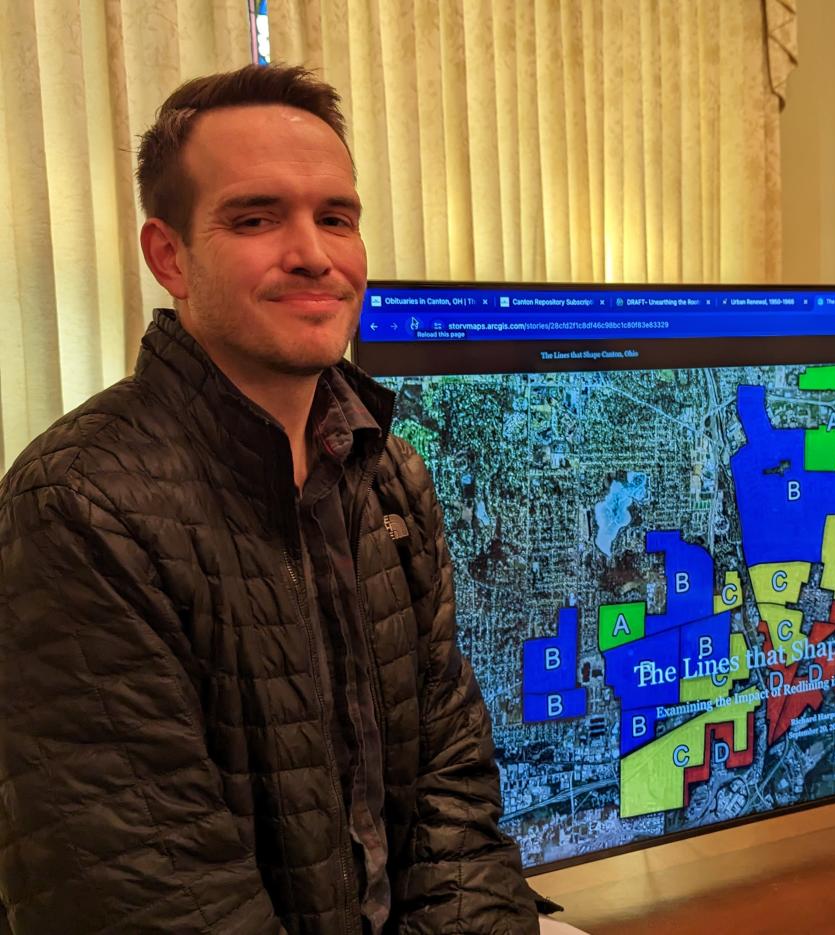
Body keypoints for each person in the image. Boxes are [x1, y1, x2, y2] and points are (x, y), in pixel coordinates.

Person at [0, 65, 548, 934]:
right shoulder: (78, 509)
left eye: (337, 217)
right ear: (169, 255)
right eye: (255, 218)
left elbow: (453, 788)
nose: (315, 253)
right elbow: (151, 895)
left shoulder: (391, 475)